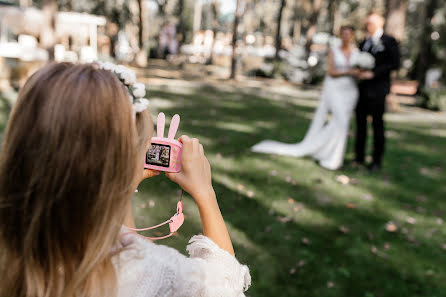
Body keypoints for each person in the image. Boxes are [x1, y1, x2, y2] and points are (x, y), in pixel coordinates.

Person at [0, 63, 250, 297]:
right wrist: (205, 193)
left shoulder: (14, 254)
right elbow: (226, 286)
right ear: (123, 166)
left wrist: (125, 184)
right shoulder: (153, 270)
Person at [252, 25, 360, 170]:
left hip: (350, 91)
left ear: (352, 35)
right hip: (335, 90)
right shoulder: (334, 50)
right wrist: (350, 71)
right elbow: (332, 71)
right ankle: (330, 157)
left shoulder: (356, 52)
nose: (346, 36)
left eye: (349, 34)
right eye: (344, 34)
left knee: (341, 124)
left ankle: (327, 152)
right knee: (340, 122)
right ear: (340, 35)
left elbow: (360, 70)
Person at [354, 13, 400, 171]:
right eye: (367, 23)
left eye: (371, 22)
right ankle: (358, 157)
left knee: (377, 126)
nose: (368, 25)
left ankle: (376, 161)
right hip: (362, 90)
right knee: (360, 125)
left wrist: (374, 73)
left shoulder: (389, 41)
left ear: (380, 23)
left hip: (378, 90)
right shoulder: (363, 42)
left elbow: (395, 63)